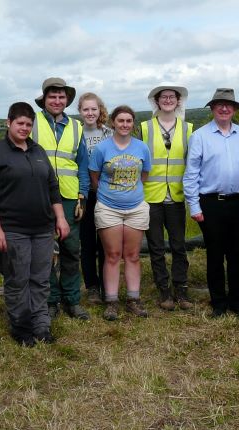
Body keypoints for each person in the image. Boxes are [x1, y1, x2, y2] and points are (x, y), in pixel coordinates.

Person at [0, 102, 70, 346]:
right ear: (8, 122)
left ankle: (41, 324)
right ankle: (21, 327)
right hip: (12, 228)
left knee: (40, 278)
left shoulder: (38, 151)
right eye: (20, 123)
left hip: (42, 228)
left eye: (29, 124)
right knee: (18, 280)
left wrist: (60, 217)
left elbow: (52, 186)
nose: (24, 128)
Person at [183, 88, 239, 318]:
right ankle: (219, 304)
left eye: (228, 105)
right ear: (212, 108)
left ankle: (237, 302)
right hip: (211, 203)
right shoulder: (200, 136)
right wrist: (194, 206)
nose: (224, 108)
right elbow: (191, 174)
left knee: (238, 255)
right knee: (215, 255)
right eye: (219, 105)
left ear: (234, 109)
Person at [32, 77, 91, 320]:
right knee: (46, 252)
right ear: (44, 99)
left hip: (68, 197)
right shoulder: (32, 123)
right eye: (52, 96)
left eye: (61, 97)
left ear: (67, 100)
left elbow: (83, 165)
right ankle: (51, 300)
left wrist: (82, 196)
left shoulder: (77, 128)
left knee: (70, 250)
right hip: (38, 197)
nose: (57, 100)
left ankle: (72, 300)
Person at [89, 105, 152, 320]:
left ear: (133, 123)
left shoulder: (142, 148)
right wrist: (111, 194)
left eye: (128, 121)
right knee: (113, 255)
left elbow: (144, 175)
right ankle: (111, 301)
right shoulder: (102, 149)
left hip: (136, 208)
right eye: (120, 121)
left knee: (133, 255)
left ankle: (134, 299)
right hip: (108, 208)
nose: (125, 125)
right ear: (113, 123)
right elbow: (95, 177)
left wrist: (130, 191)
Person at [141, 84, 193, 310]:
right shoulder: (144, 127)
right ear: (157, 101)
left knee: (179, 245)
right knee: (156, 247)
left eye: (173, 97)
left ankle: (181, 290)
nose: (168, 100)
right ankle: (164, 291)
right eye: (164, 97)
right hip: (151, 196)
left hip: (177, 195)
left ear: (179, 101)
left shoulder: (188, 128)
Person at [78, 92, 113, 305]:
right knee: (88, 242)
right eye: (86, 109)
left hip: (107, 195)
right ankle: (92, 287)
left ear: (100, 110)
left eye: (94, 109)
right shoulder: (76, 133)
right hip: (84, 195)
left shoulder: (109, 133)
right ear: (80, 112)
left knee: (106, 243)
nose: (90, 113)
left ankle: (108, 285)